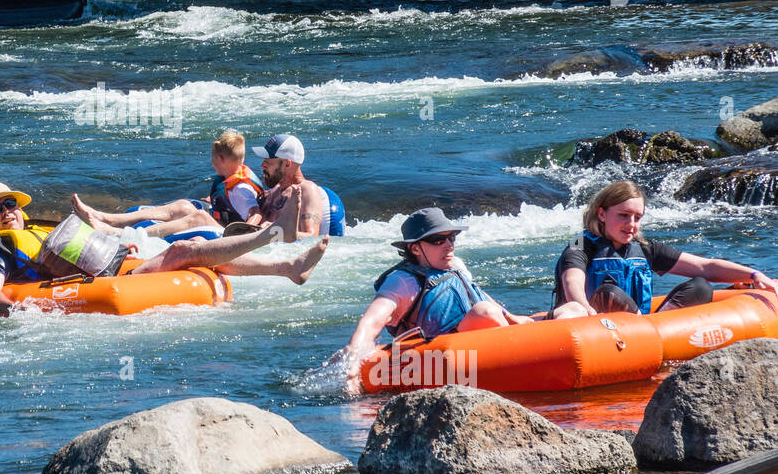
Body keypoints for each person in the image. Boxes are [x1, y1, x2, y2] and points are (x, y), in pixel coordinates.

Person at [0, 180, 329, 314]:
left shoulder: (37, 230)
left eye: (11, 205)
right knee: (184, 250)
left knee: (195, 250)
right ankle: (273, 236)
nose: (8, 213)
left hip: (113, 269)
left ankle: (288, 268)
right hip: (96, 286)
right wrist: (18, 314)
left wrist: (116, 249)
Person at [331, 208, 533, 395]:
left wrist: (514, 319)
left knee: (487, 310)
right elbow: (371, 320)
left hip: (477, 343)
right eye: (438, 239)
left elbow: (475, 293)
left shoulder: (455, 265)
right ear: (415, 249)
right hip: (436, 353)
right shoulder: (402, 281)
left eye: (451, 237)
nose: (449, 245)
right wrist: (353, 359)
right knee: (485, 313)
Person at [550, 180, 775, 319]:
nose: (632, 224)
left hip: (642, 327)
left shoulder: (645, 249)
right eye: (623, 215)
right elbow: (572, 281)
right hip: (593, 323)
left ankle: (653, 331)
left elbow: (705, 267)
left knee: (700, 287)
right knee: (610, 293)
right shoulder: (581, 245)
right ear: (601, 214)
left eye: (637, 217)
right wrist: (583, 306)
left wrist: (754, 275)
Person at [70, 130, 264, 238]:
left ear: (222, 159)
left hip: (227, 235)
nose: (211, 162)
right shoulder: (233, 175)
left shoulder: (241, 189)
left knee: (198, 217)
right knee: (182, 206)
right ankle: (107, 217)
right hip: (222, 222)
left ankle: (116, 233)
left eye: (213, 158)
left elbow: (255, 213)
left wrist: (245, 231)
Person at [246, 133, 329, 239]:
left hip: (282, 253)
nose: (262, 165)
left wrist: (274, 231)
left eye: (268, 162)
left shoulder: (307, 190)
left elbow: (311, 236)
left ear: (287, 164)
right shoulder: (275, 190)